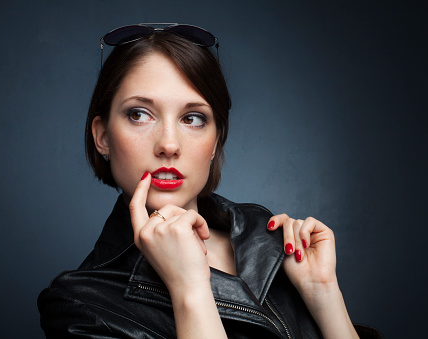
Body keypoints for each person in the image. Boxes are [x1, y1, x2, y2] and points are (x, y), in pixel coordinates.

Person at [38, 23, 382, 339]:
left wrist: (324, 294)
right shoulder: (79, 305)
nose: (169, 144)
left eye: (193, 118)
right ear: (102, 136)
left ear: (216, 139)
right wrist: (189, 289)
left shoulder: (269, 243)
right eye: (139, 114)